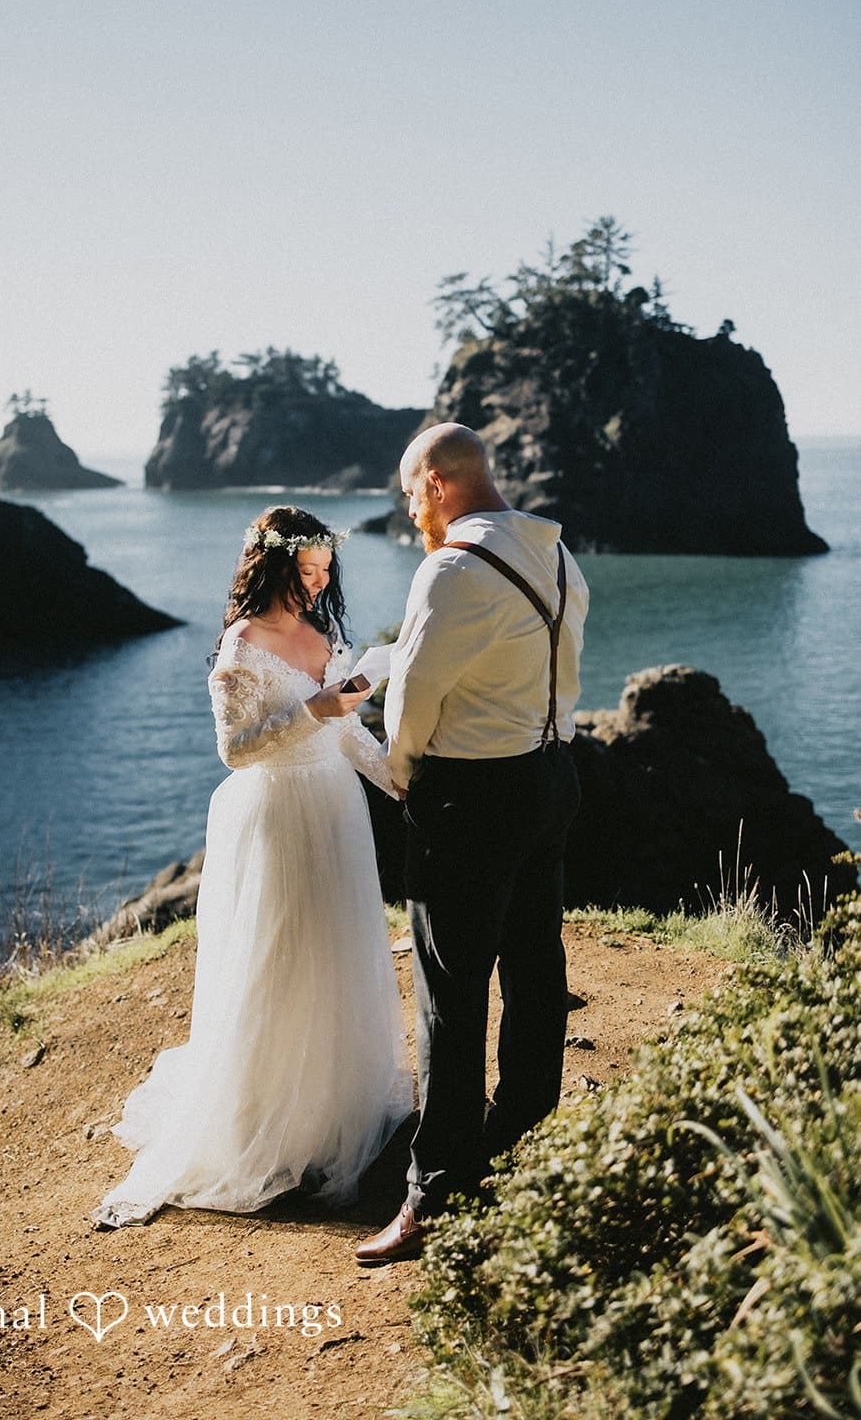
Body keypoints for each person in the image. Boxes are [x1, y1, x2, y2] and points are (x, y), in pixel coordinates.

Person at [92, 506, 412, 1228]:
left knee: (333, 952)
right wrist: (317, 708)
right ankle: (268, 1121)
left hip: (334, 806)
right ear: (272, 566)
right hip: (275, 813)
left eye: (326, 571)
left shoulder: (322, 634)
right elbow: (235, 750)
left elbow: (347, 731)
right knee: (277, 959)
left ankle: (332, 1108)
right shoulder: (241, 645)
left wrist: (397, 781)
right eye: (306, 571)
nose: (318, 584)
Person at [355, 424, 589, 1264]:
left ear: (441, 482)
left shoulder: (451, 568)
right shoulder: (558, 557)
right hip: (549, 776)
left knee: (450, 998)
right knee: (535, 970)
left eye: (412, 490)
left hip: (471, 796)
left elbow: (416, 692)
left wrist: (403, 770)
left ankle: (439, 1193)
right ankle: (528, 1155)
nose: (410, 506)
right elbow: (551, 674)